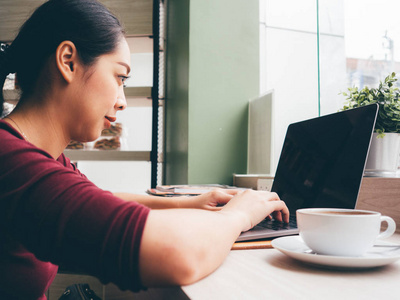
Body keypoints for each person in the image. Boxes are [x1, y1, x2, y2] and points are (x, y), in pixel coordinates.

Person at [0, 0, 289, 299]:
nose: (122, 101)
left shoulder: (42, 159)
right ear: (69, 61)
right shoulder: (10, 162)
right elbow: (178, 255)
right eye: (119, 77)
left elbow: (94, 202)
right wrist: (240, 215)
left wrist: (188, 203)